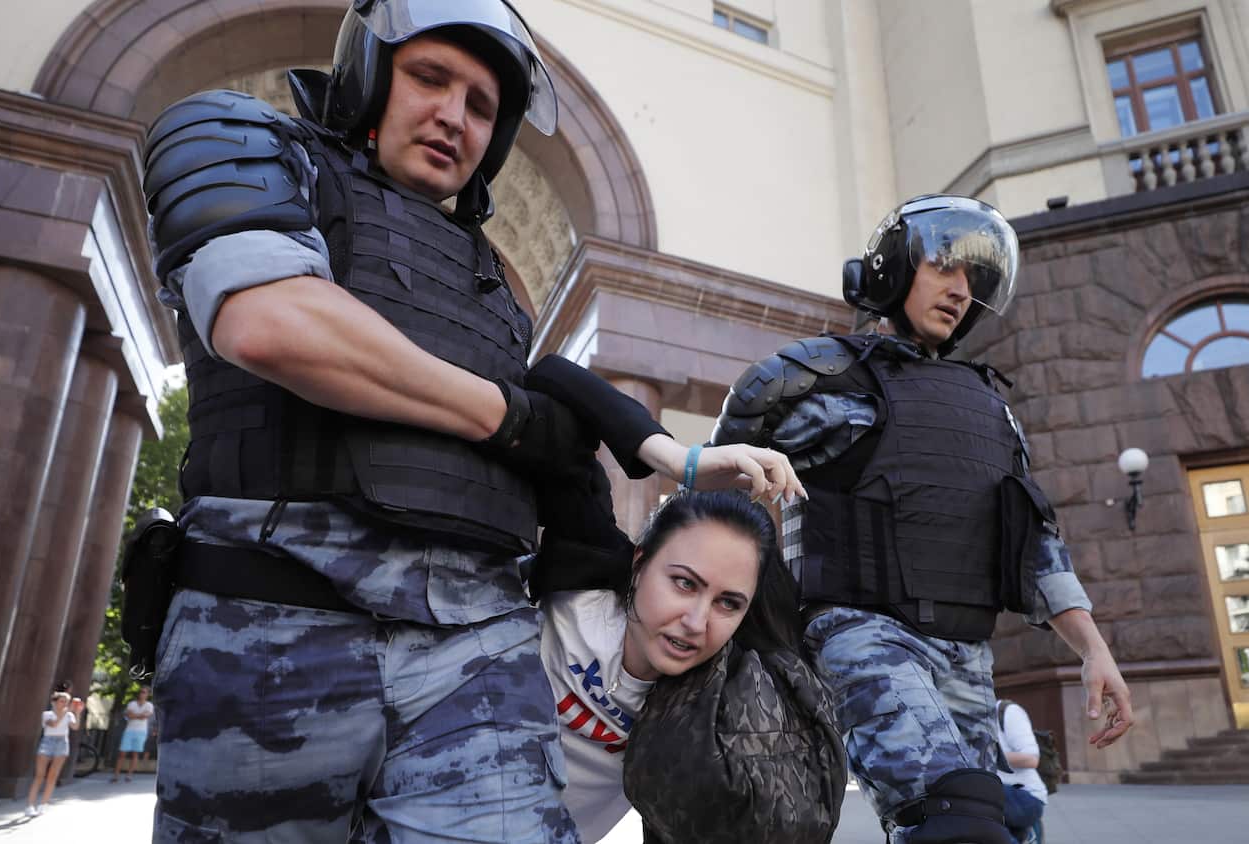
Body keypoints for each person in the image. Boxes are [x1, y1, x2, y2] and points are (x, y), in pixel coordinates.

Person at [139, 1, 802, 840]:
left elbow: (559, 389)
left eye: (483, 106)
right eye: (428, 77)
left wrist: (679, 457)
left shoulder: (494, 280)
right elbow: (271, 322)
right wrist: (509, 419)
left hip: (476, 639)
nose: (454, 115)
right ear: (371, 75)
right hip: (272, 618)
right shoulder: (246, 141)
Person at [713, 195, 1136, 843]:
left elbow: (1035, 542)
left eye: (975, 282)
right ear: (892, 267)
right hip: (861, 632)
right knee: (955, 818)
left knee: (1007, 826)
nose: (960, 291)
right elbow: (715, 490)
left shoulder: (991, 411)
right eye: (943, 266)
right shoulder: (813, 379)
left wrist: (1093, 650)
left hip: (966, 652)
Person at [538, 489, 788, 842]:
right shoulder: (553, 612)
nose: (696, 622)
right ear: (640, 565)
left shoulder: (720, 709)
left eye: (728, 603)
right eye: (685, 583)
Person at [995, 699, 1047, 844]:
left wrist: (988, 754)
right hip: (998, 797)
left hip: (1025, 797)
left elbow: (1031, 759)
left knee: (980, 797)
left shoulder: (1007, 711)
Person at [24, 691, 81, 817]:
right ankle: (30, 805)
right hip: (47, 742)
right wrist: (67, 712)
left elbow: (75, 727)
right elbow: (54, 724)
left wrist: (77, 713)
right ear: (54, 702)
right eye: (62, 701)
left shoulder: (69, 714)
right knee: (39, 776)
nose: (65, 704)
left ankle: (43, 804)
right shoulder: (47, 714)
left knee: (52, 776)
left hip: (62, 742)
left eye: (67, 702)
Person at [112, 686, 154, 783]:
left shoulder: (149, 705)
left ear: (148, 694)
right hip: (129, 730)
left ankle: (129, 775)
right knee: (122, 753)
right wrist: (139, 715)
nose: (142, 694)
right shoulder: (132, 704)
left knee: (135, 753)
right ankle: (116, 775)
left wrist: (135, 716)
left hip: (141, 731)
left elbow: (144, 716)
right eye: (141, 692)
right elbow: (129, 715)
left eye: (144, 692)